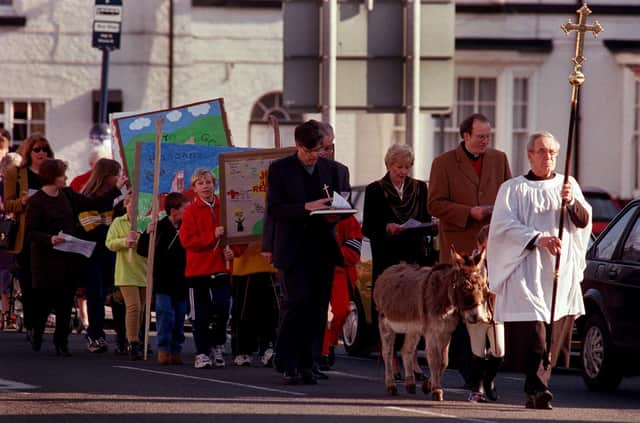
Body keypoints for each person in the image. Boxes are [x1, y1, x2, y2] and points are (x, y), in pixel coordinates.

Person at [487, 131, 591, 410]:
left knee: (553, 334)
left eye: (553, 153)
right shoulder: (512, 188)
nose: (548, 157)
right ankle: (537, 385)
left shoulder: (568, 185)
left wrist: (571, 203)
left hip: (558, 270)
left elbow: (583, 222)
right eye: (542, 151)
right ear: (530, 155)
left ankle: (537, 388)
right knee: (534, 332)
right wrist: (537, 238)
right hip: (526, 268)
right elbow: (503, 227)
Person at [427, 113, 511, 386]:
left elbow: (510, 196)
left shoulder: (499, 159)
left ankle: (488, 370)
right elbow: (435, 204)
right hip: (460, 248)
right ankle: (470, 373)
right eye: (480, 137)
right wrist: (468, 212)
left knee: (489, 309)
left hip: (491, 246)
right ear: (465, 136)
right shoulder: (443, 163)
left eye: (488, 136)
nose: (485, 141)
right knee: (465, 311)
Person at [265, 119, 350, 385]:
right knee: (296, 303)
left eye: (319, 151)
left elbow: (338, 202)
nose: (315, 157)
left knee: (317, 307)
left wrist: (333, 215)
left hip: (321, 246)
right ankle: (287, 360)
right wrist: (305, 207)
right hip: (292, 248)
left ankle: (310, 361)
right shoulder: (280, 169)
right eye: (310, 151)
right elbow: (275, 208)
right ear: (298, 146)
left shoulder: (329, 169)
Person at [25, 158, 123, 355]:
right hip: (46, 258)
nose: (66, 178)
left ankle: (61, 342)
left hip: (69, 255)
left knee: (64, 299)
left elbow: (93, 202)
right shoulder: (36, 202)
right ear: (52, 177)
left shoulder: (68, 195)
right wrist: (50, 238)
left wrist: (116, 190)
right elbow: (31, 232)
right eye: (62, 175)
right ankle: (37, 332)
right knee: (45, 301)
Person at [362, 143, 432, 380]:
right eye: (398, 167)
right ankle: (390, 358)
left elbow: (425, 219)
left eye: (407, 167)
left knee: (415, 308)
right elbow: (368, 227)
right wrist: (386, 227)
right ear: (389, 165)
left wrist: (432, 225)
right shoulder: (375, 190)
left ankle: (411, 359)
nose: (403, 171)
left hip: (414, 255)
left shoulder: (421, 188)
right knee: (389, 308)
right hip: (387, 256)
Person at [179, 168, 238, 369]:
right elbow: (187, 241)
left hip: (221, 268)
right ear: (194, 188)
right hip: (198, 271)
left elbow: (237, 235)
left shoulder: (225, 207)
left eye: (208, 182)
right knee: (200, 315)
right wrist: (212, 235)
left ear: (215, 184)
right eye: (200, 183)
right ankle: (202, 352)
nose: (205, 186)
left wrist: (235, 252)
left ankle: (217, 344)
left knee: (223, 310)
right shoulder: (190, 211)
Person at [3, 134, 55, 339]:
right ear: (28, 152)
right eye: (37, 149)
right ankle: (33, 322)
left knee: (46, 281)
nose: (42, 153)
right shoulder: (16, 173)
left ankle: (39, 319)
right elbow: (8, 204)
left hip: (48, 232)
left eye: (45, 149)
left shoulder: (53, 173)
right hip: (26, 235)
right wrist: (23, 201)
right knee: (28, 280)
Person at [78, 158, 125, 353]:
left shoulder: (115, 198)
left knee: (117, 295)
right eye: (116, 174)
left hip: (111, 251)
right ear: (106, 176)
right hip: (92, 253)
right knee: (95, 294)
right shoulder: (86, 197)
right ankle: (95, 335)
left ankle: (123, 338)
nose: (119, 178)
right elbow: (91, 229)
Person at [137, 192, 189, 365]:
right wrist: (146, 233)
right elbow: (142, 250)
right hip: (163, 280)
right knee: (165, 315)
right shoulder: (159, 227)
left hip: (182, 280)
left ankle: (176, 349)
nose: (187, 212)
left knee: (180, 317)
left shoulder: (187, 227)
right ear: (174, 211)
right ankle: (164, 348)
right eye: (184, 209)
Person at [105, 193, 148, 360]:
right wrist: (124, 242)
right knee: (133, 307)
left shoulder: (145, 222)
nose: (134, 208)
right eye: (131, 205)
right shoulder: (118, 222)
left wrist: (144, 236)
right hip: (126, 271)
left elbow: (151, 243)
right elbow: (109, 243)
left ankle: (138, 338)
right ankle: (133, 342)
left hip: (143, 270)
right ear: (126, 205)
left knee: (142, 309)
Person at [466, 224, 504, 403]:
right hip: (478, 312)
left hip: (496, 311)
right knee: (478, 352)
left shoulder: (502, 262)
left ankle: (489, 381)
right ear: (480, 245)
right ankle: (477, 388)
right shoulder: (472, 263)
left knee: (499, 350)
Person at [230, 241, 278, 368]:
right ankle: (243, 350)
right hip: (245, 268)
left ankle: (268, 347)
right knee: (244, 312)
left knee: (269, 311)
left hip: (267, 267)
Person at [0, 151, 22, 330]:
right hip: (4, 233)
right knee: (5, 272)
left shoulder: (21, 185)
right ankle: (7, 313)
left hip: (17, 233)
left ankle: (15, 311)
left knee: (14, 271)